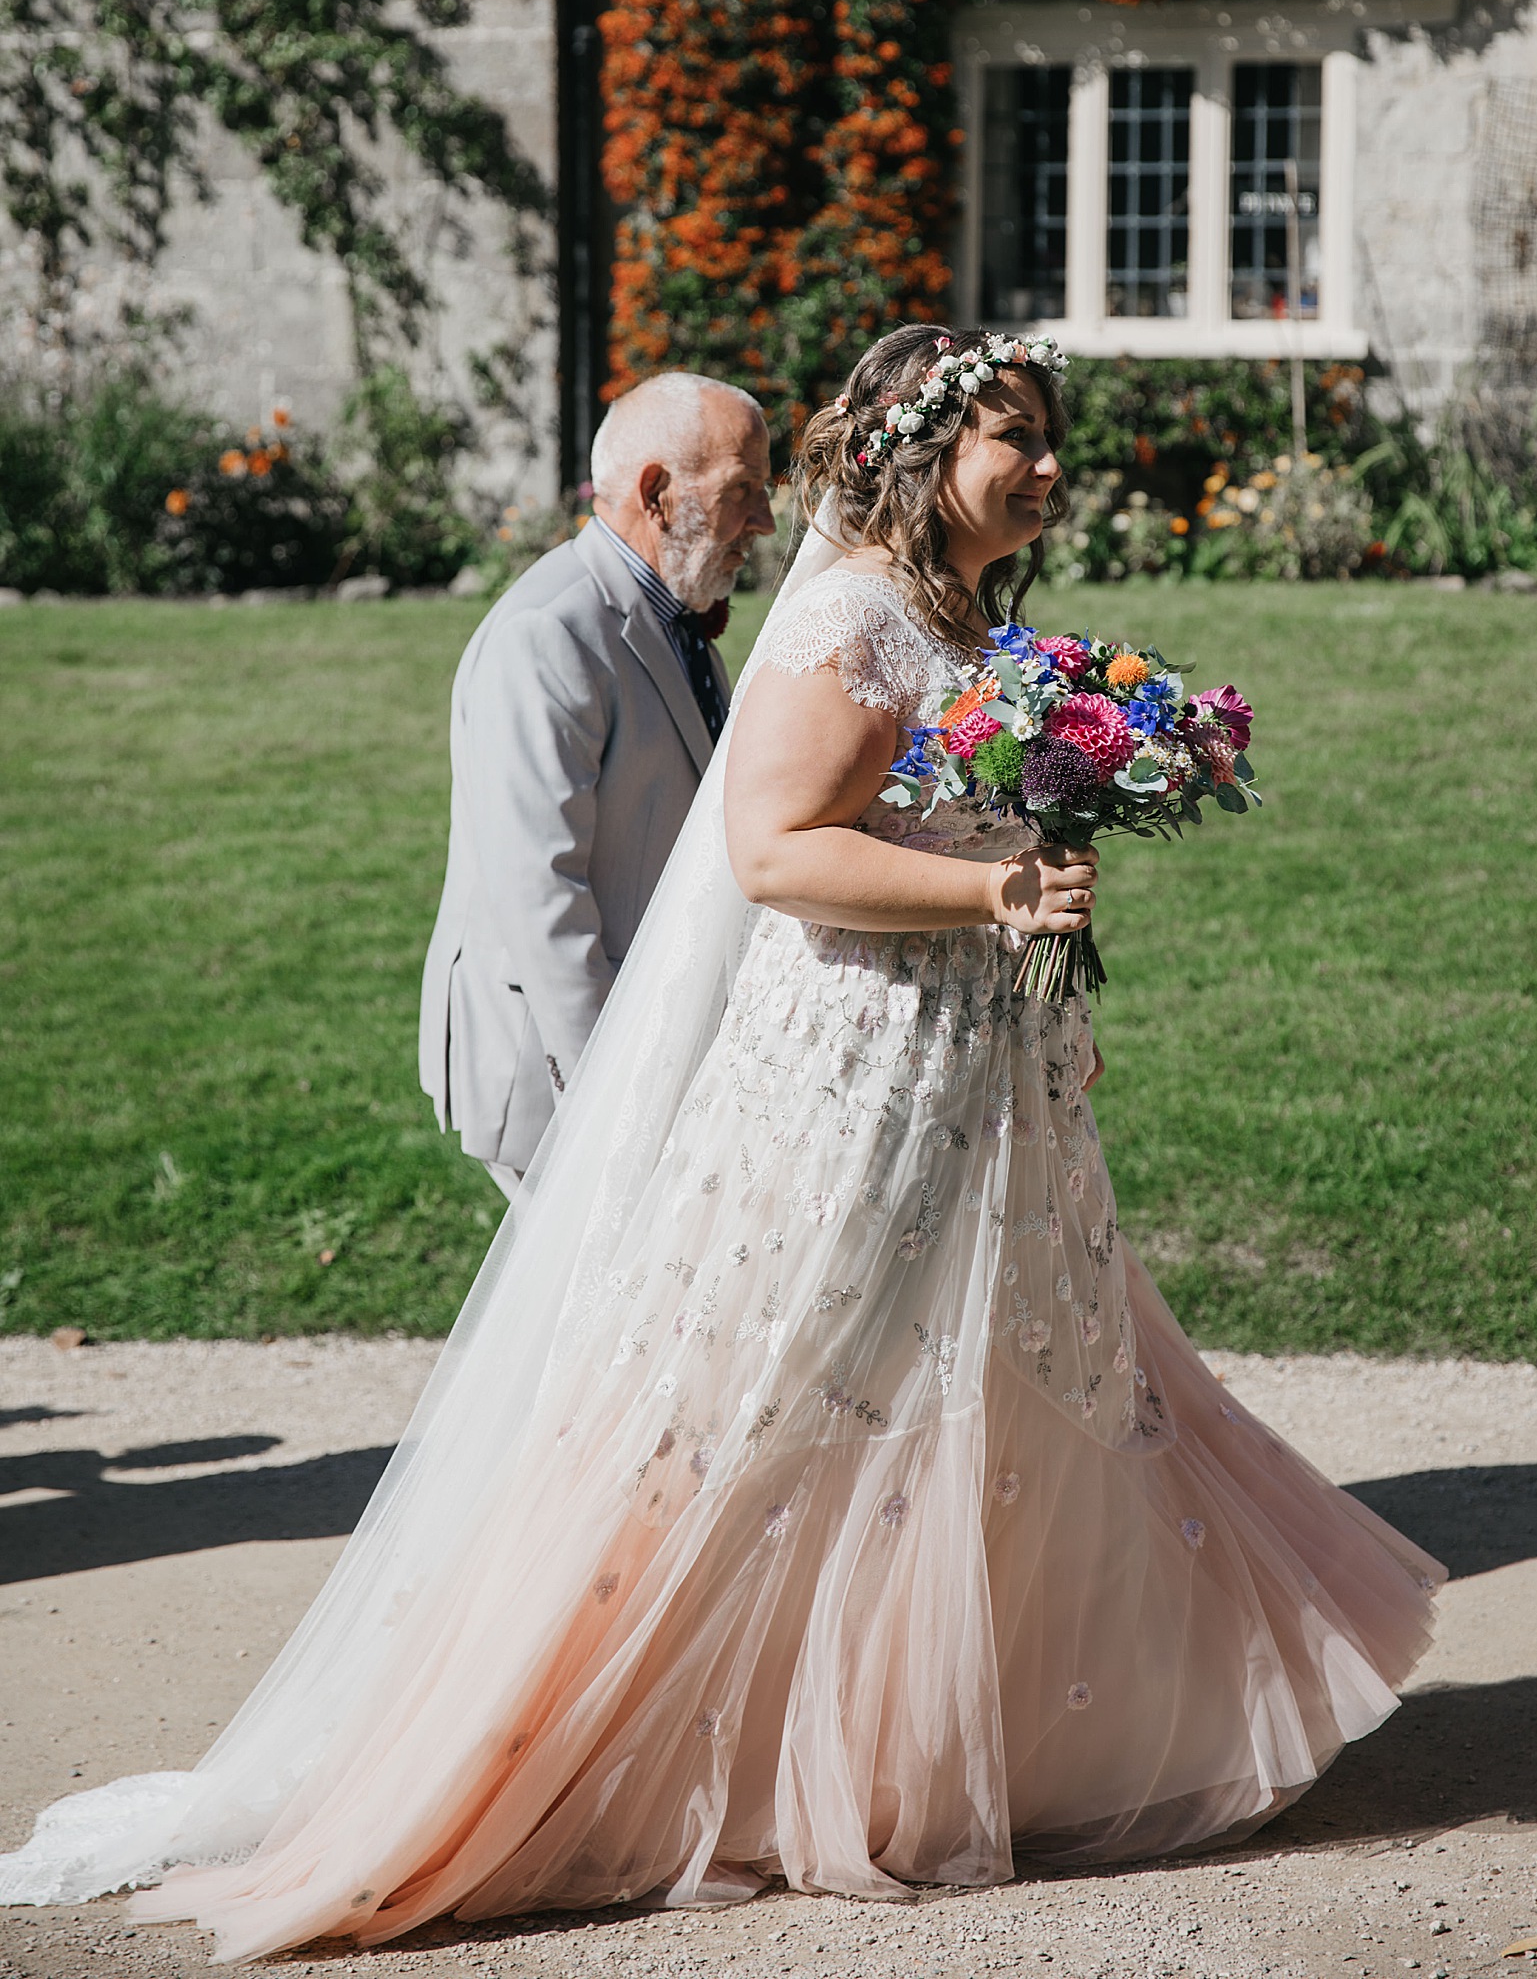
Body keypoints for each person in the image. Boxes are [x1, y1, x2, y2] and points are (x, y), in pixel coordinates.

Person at [0, 326, 1441, 1952]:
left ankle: (1008, 1729)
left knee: (983, 1387)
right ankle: (651, 1750)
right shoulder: (837, 619)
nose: (1047, 462)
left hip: (963, 1076)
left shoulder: (963, 619)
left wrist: (1041, 988)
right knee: (780, 1400)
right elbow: (758, 849)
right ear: (918, 451)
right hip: (835, 1081)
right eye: (1012, 434)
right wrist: (976, 901)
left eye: (1051, 434)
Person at [419, 371, 775, 1193]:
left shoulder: (675, 618)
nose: (761, 520)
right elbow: (543, 904)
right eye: (742, 492)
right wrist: (617, 1107)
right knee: (574, 1320)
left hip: (660, 1042)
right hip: (563, 1073)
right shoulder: (551, 634)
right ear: (656, 491)